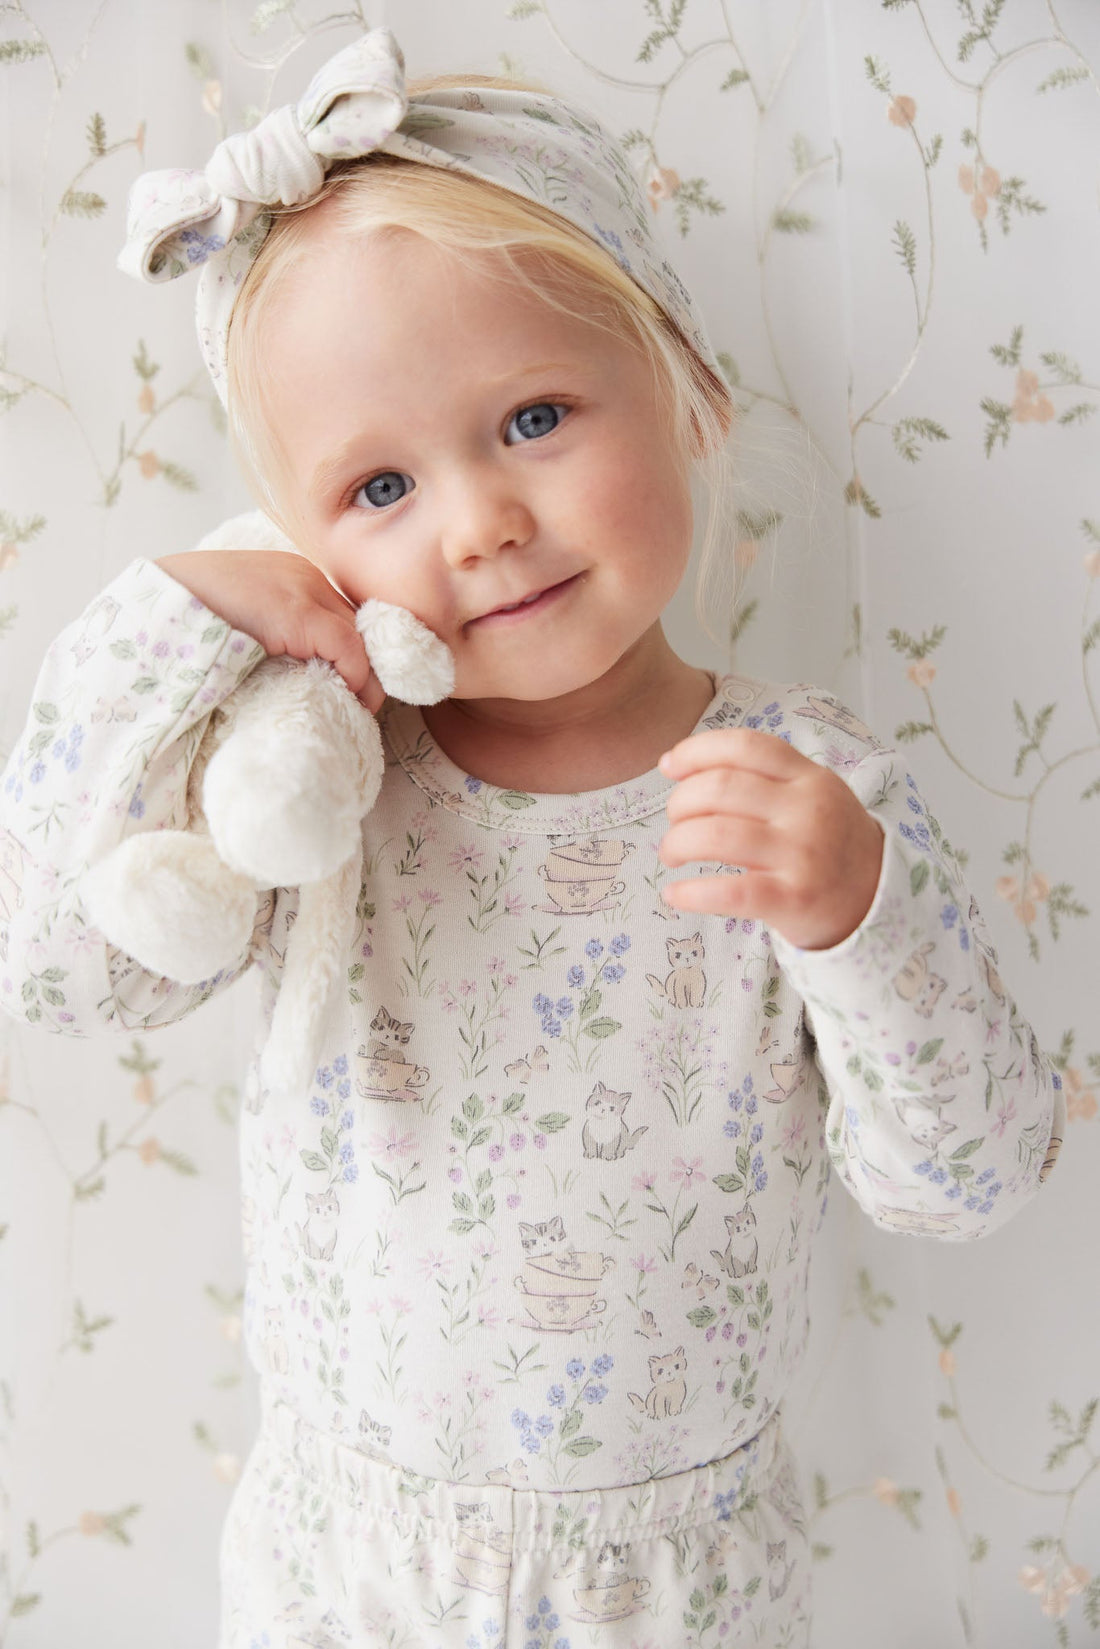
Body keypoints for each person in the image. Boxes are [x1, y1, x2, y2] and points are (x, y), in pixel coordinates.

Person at [0, 27, 1065, 1649]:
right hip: (345, 1561)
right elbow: (64, 979)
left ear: (688, 387)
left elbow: (967, 1177)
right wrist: (172, 630)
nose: (480, 524)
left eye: (534, 417)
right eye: (376, 489)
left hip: (680, 1585)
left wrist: (866, 917)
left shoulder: (806, 787)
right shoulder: (324, 789)